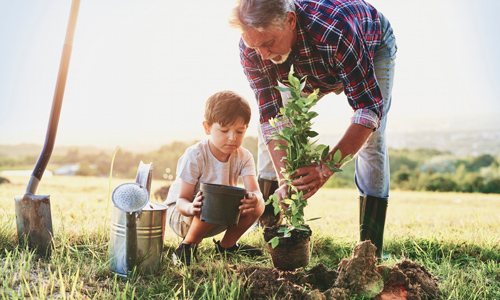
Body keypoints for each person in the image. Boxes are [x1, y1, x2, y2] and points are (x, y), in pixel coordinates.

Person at [229, 0, 397, 260]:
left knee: (373, 139)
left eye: (268, 44)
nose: (261, 55)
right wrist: (286, 178)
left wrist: (325, 168)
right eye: (254, 46)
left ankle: (370, 250)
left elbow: (367, 109)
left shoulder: (335, 30)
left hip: (367, 46)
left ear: (290, 21)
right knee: (275, 132)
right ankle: (270, 229)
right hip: (309, 66)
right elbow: (272, 117)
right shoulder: (253, 48)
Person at [164, 90, 265, 266]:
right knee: (213, 198)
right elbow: (181, 201)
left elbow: (256, 191)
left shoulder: (244, 156)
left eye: (240, 131)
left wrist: (255, 199)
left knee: (259, 204)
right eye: (224, 130)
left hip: (218, 214)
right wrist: (191, 207)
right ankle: (186, 248)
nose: (232, 138)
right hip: (183, 216)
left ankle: (227, 246)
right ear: (207, 127)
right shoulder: (195, 155)